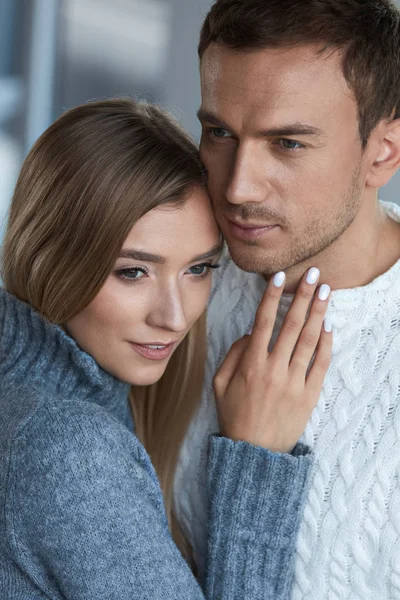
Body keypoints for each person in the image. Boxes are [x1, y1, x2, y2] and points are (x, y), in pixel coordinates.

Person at [0, 98, 332, 599]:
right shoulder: (68, 447)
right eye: (132, 271)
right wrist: (257, 459)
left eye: (198, 269)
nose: (174, 318)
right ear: (51, 257)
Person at [174, 0, 400, 598]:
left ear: (383, 151)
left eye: (289, 143)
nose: (237, 186)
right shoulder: (174, 279)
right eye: (219, 132)